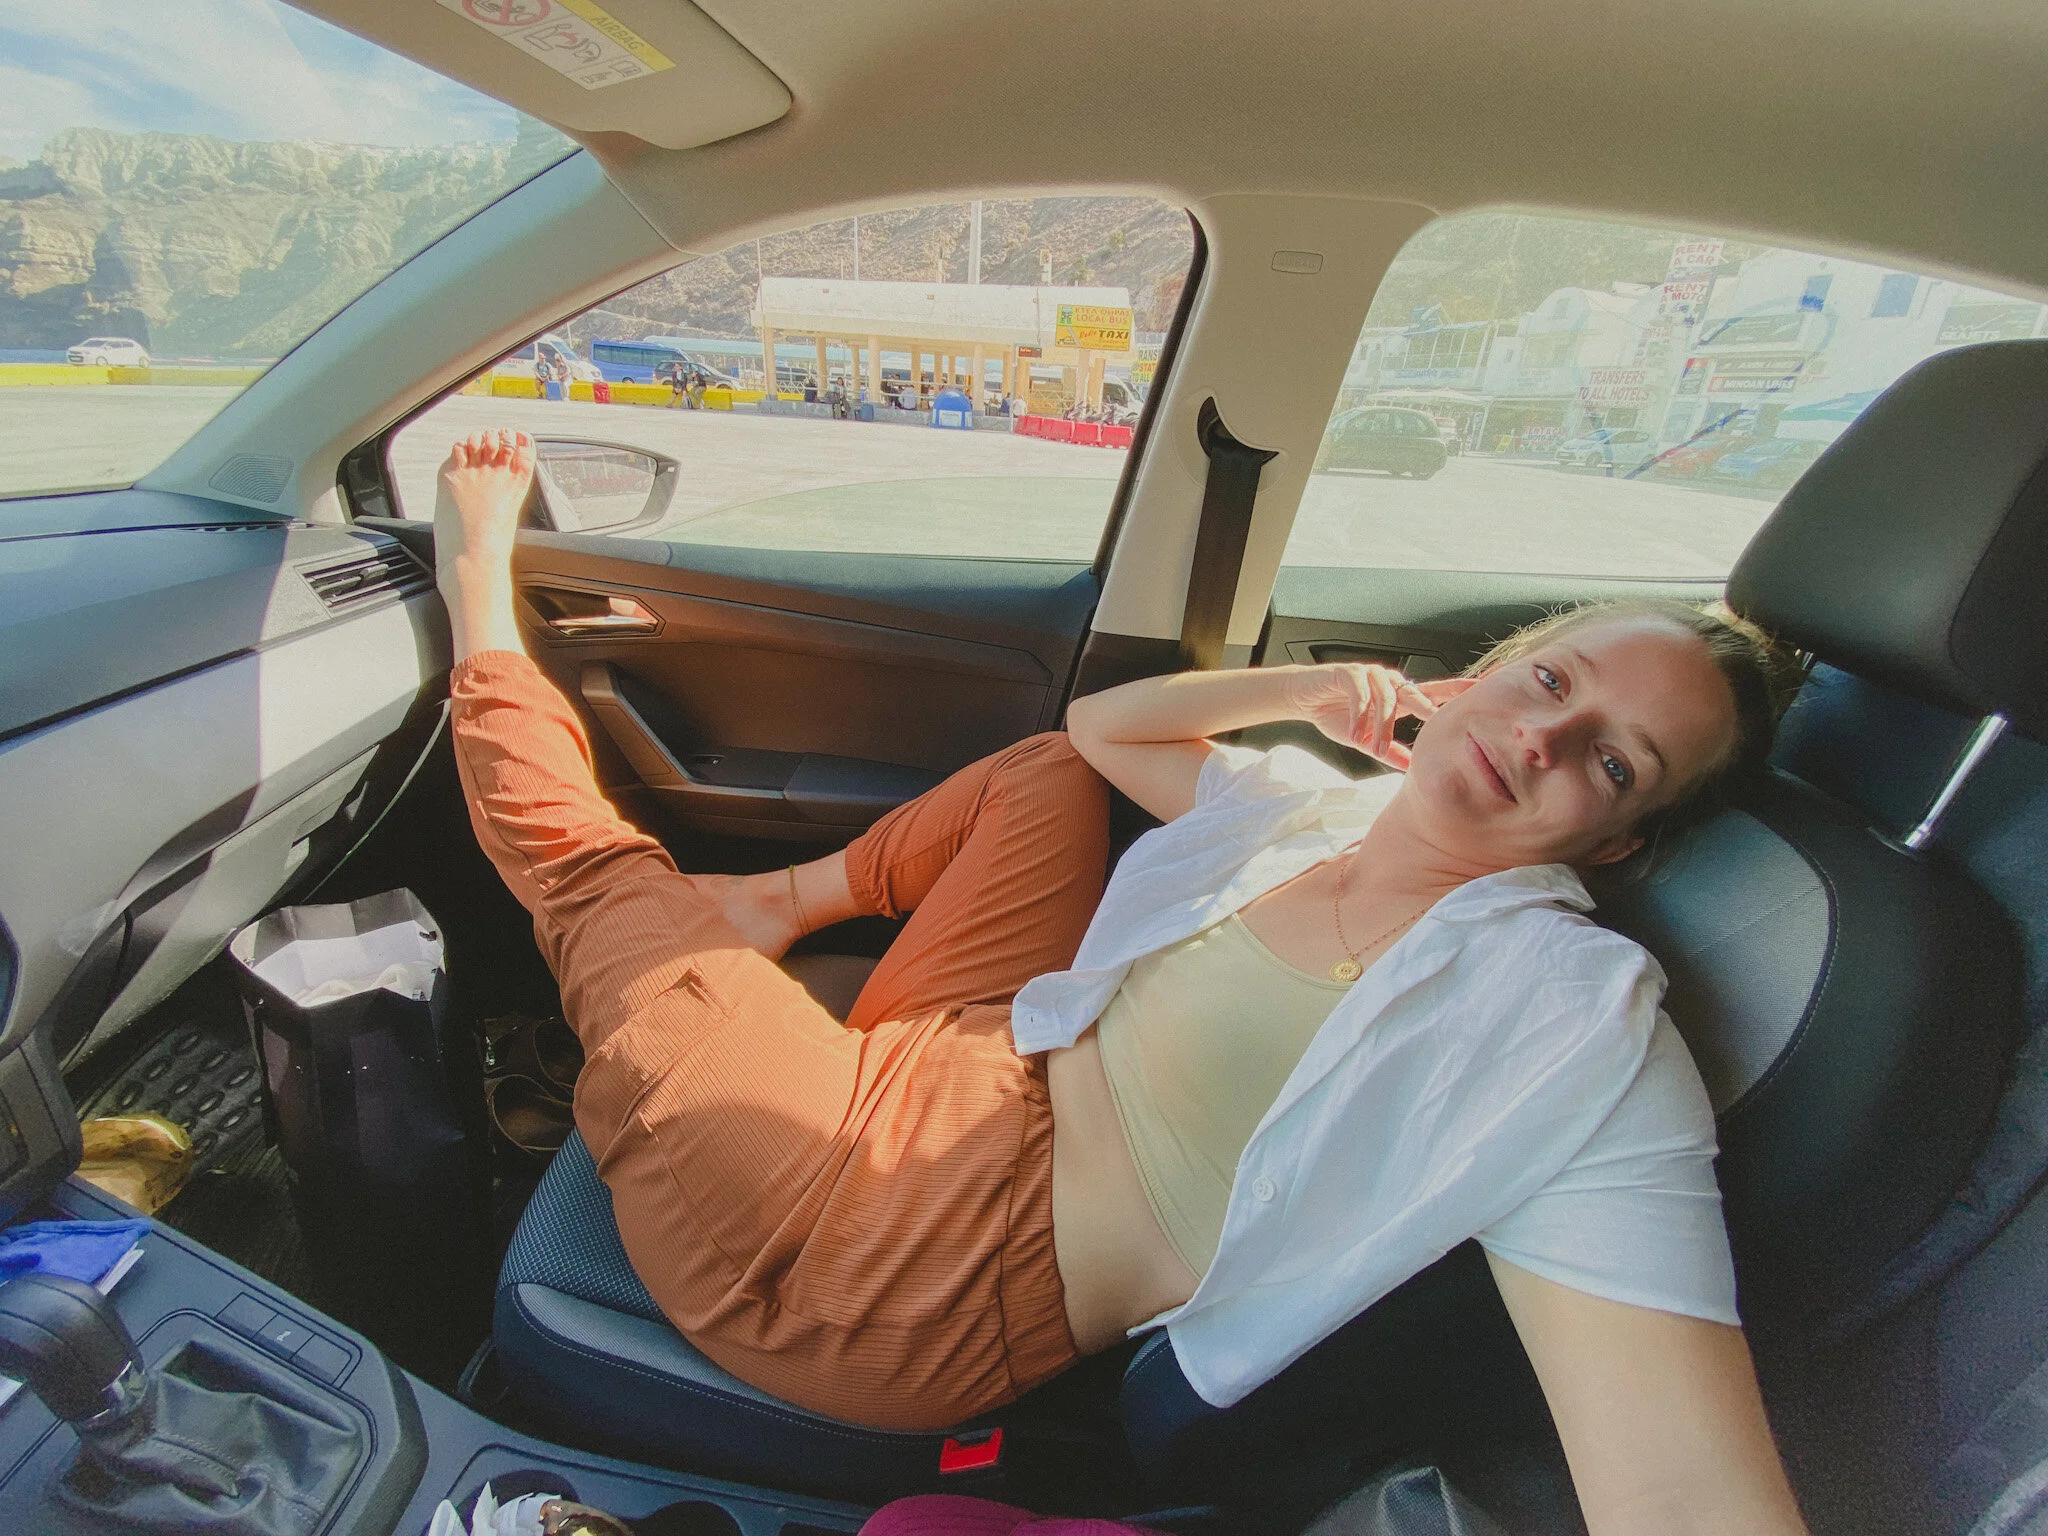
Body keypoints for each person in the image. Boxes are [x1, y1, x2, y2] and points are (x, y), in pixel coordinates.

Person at [434, 429, 1811, 1536]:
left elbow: (1687, 1496)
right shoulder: (1318, 813)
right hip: (977, 1057)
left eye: (1612, 762)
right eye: (1551, 680)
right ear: (1486, 674)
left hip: (894, 1265)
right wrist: (1313, 691)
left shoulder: (1569, 1018)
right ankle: (774, 904)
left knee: (610, 888)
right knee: (1044, 776)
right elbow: (1103, 730)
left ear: (1617, 842)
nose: (1543, 739)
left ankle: (476, 605)